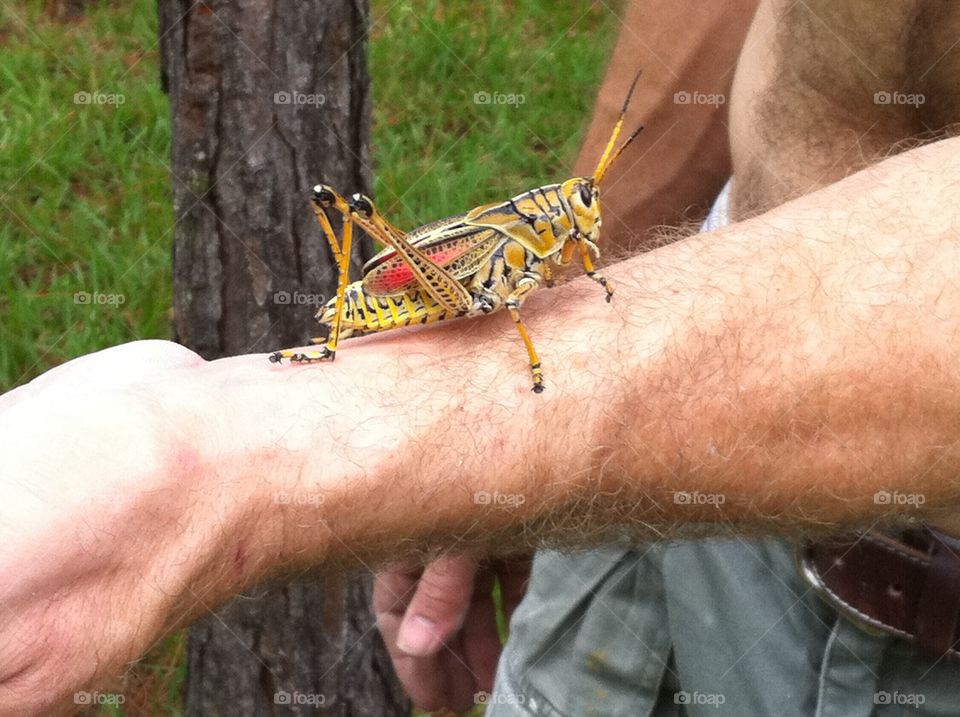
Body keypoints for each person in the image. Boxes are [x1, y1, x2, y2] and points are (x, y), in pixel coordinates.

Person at [3, 0, 960, 714]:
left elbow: (528, 305)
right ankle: (334, 333)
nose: (584, 222)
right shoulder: (541, 244)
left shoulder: (551, 253)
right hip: (493, 343)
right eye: (577, 213)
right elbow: (516, 300)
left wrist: (467, 448)